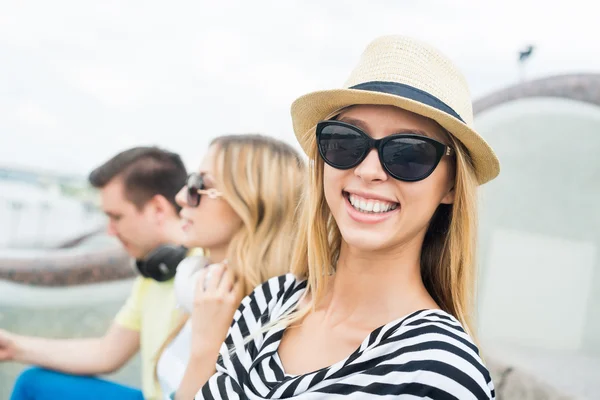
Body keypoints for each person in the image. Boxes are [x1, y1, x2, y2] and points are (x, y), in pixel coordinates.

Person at [190, 35, 499, 399]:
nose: (369, 171)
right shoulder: (270, 301)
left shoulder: (441, 371)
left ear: (451, 187)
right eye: (345, 141)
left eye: (409, 153)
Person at [1, 147, 188, 400]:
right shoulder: (154, 272)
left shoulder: (208, 271)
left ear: (158, 208)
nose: (110, 231)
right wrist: (13, 347)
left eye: (116, 217)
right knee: (33, 383)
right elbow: (106, 353)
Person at [152, 134, 306, 400]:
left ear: (254, 202)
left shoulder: (276, 321)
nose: (180, 197)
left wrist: (207, 348)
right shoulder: (207, 287)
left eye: (199, 185)